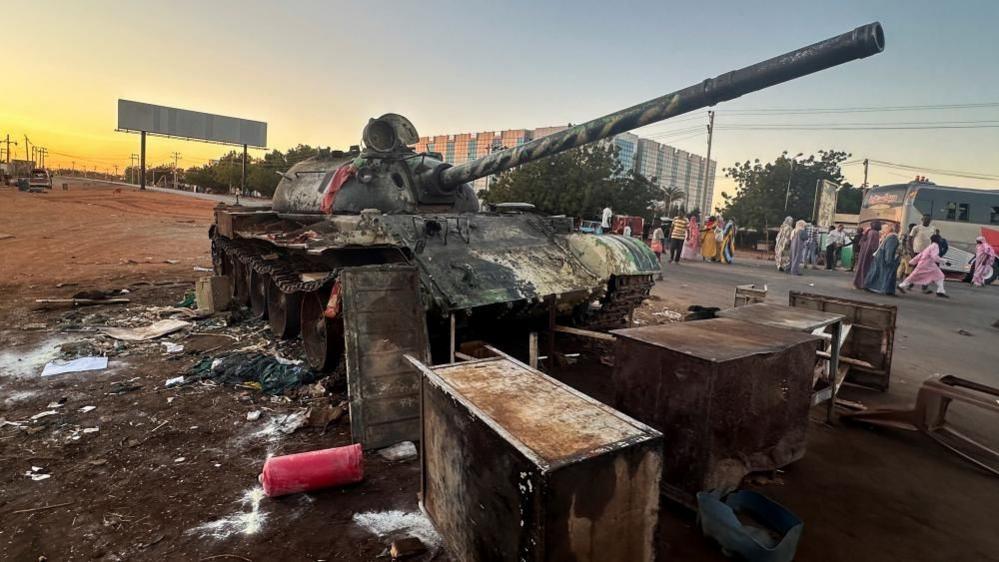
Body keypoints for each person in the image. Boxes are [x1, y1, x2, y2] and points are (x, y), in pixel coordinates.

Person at [864, 224, 900, 295]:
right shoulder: (893, 238)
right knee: (884, 274)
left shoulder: (890, 236)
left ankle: (886, 290)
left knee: (877, 272)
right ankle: (882, 289)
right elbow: (889, 250)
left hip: (881, 256)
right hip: (884, 257)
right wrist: (889, 260)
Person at [852, 221, 882, 289]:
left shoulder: (868, 231)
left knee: (861, 267)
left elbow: (861, 242)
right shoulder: (875, 233)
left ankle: (857, 283)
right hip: (869, 254)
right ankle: (863, 284)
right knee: (867, 268)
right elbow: (874, 246)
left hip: (863, 252)